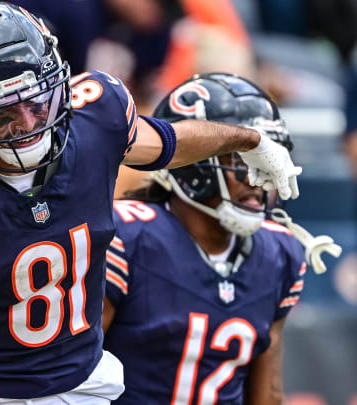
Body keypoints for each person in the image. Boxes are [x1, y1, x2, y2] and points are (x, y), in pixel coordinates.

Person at [0, 2, 301, 404]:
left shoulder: (95, 114)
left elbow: (172, 141)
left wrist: (249, 139)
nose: (29, 123)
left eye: (39, 102)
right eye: (2, 116)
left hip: (84, 384)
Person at [102, 73, 341, 404]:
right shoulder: (126, 237)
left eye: (270, 161)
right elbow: (72, 373)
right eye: (244, 160)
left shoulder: (278, 253)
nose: (261, 178)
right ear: (191, 165)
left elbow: (267, 395)